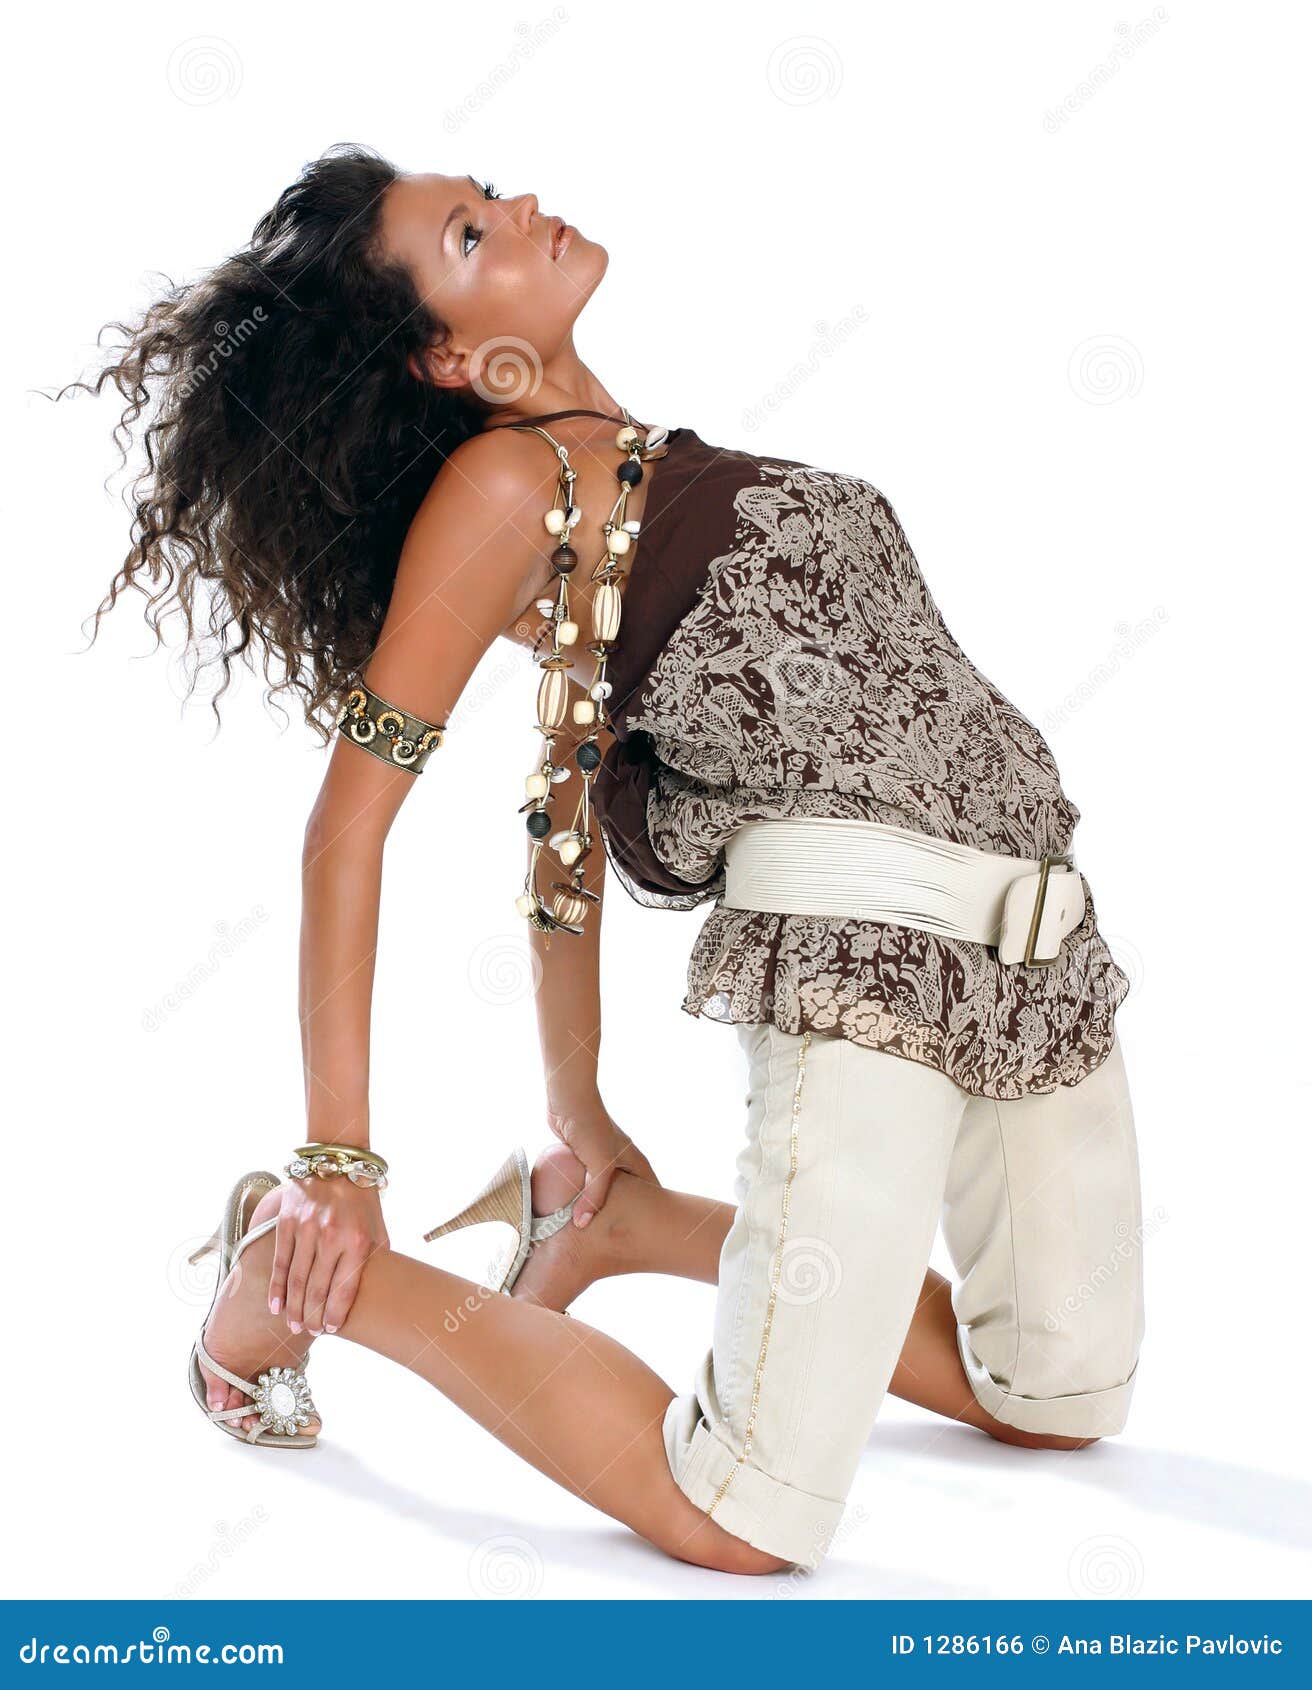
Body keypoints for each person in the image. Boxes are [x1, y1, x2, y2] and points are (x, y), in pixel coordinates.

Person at [82, 145, 1145, 1577]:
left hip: (1033, 947)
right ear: (453, 360)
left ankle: (615, 1224)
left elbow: (563, 816)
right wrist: (338, 1161)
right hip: (862, 956)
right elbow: (347, 825)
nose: (521, 208)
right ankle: (298, 1268)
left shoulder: (649, 470)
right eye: (472, 236)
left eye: (488, 195)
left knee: (1056, 1398)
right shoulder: (507, 485)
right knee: (739, 1518)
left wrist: (576, 1112)